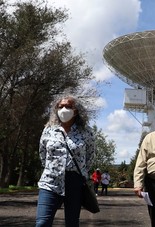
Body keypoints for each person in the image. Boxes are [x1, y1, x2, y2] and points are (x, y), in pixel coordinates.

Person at [35, 95, 96, 227]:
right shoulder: (49, 129)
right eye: (60, 106)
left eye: (68, 106)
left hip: (75, 183)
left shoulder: (86, 132)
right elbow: (43, 153)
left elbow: (90, 157)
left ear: (76, 111)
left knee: (72, 223)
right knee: (42, 223)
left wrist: (77, 171)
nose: (64, 109)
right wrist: (53, 168)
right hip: (50, 181)